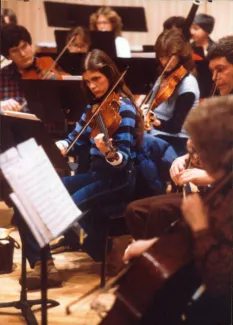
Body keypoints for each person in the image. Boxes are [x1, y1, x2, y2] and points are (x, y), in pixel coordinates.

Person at [12, 49, 143, 289]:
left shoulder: (124, 109)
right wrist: (58, 146)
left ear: (110, 76)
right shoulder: (94, 108)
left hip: (118, 179)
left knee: (63, 211)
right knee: (31, 198)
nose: (92, 86)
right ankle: (43, 265)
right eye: (88, 81)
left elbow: (123, 158)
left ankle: (109, 250)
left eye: (97, 79)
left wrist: (107, 152)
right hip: (95, 175)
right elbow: (74, 138)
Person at [124, 95, 233, 325]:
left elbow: (221, 279)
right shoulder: (224, 187)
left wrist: (200, 225)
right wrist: (152, 246)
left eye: (204, 150)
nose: (199, 158)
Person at [145, 28, 200, 156]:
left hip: (177, 141)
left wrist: (155, 121)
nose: (165, 62)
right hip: (158, 134)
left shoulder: (188, 84)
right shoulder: (163, 76)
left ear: (181, 55)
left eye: (169, 57)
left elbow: (175, 127)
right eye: (162, 57)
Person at [0, 24, 67, 113]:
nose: (23, 54)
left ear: (30, 45)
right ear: (8, 56)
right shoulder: (2, 76)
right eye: (15, 51)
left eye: (24, 46)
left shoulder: (50, 67)